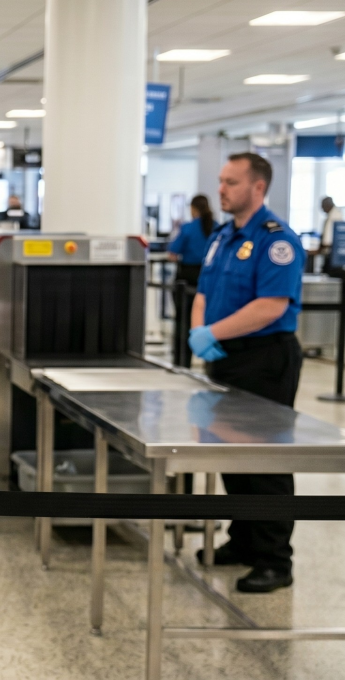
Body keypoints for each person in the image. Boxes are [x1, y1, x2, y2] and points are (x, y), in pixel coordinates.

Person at [190, 152, 303, 594]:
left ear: (258, 187)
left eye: (231, 182)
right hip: (224, 356)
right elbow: (202, 289)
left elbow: (270, 306)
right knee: (231, 453)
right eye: (220, 181)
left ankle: (275, 558)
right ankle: (243, 539)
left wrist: (211, 331)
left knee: (266, 459)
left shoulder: (277, 240)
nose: (221, 189)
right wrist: (201, 330)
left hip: (264, 358)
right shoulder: (222, 236)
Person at [168, 194, 216, 286]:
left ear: (193, 209)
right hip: (211, 274)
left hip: (189, 275)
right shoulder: (217, 227)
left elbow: (172, 254)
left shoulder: (187, 228)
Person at [319, 196, 342, 267]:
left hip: (332, 252)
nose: (322, 209)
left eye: (323, 206)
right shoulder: (332, 214)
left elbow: (328, 240)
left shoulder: (335, 216)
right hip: (330, 251)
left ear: (328, 205)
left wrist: (322, 246)